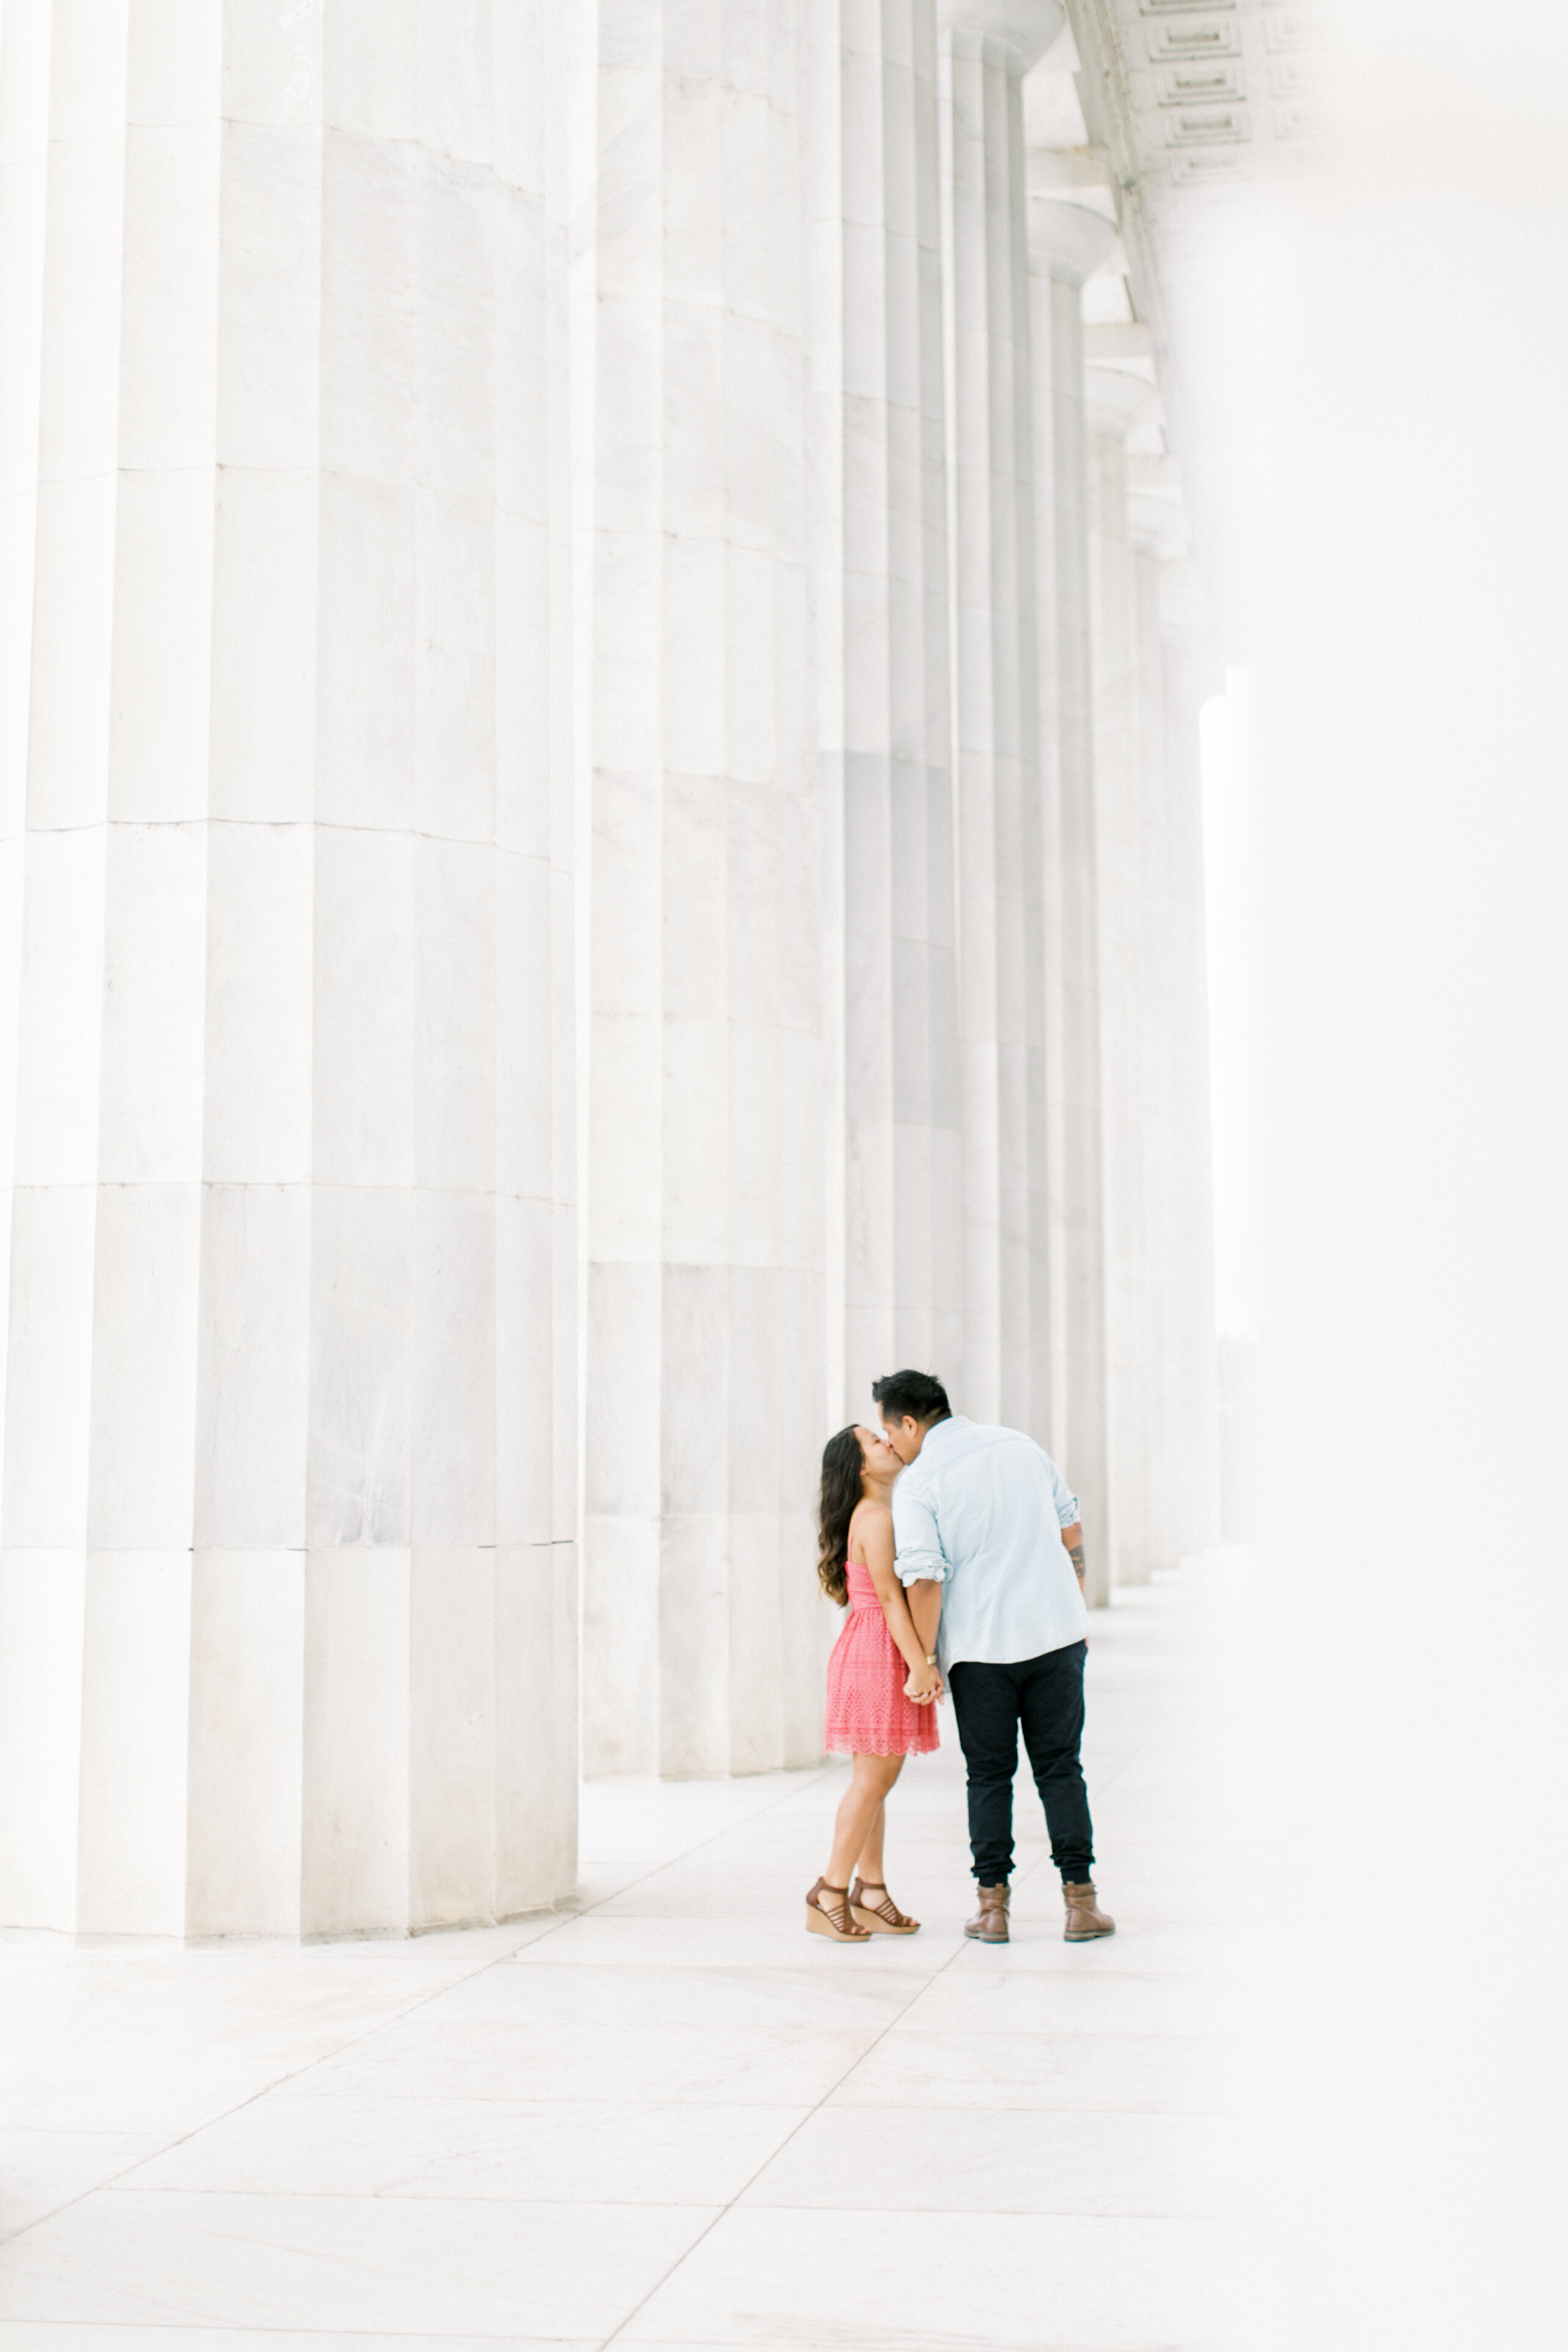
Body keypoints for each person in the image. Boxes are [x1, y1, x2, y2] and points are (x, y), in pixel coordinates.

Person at [872, 1368, 1115, 1948]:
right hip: (1055, 1639)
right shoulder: (1019, 1446)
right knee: (1061, 1769)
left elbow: (925, 1578)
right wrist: (1069, 1607)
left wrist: (923, 1661)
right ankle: (1080, 1903)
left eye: (889, 1432)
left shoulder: (919, 1482)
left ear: (910, 1422)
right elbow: (1069, 1525)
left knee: (988, 1775)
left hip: (980, 1653)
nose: (892, 1446)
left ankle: (992, 1909)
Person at [806, 1424, 942, 1942]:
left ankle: (871, 1889)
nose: (888, 1443)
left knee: (873, 1782)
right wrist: (921, 1664)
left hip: (864, 1646)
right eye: (874, 1442)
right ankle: (831, 1890)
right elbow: (890, 1598)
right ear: (861, 1466)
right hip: (879, 1650)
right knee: (872, 1782)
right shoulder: (879, 1518)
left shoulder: (866, 1516)